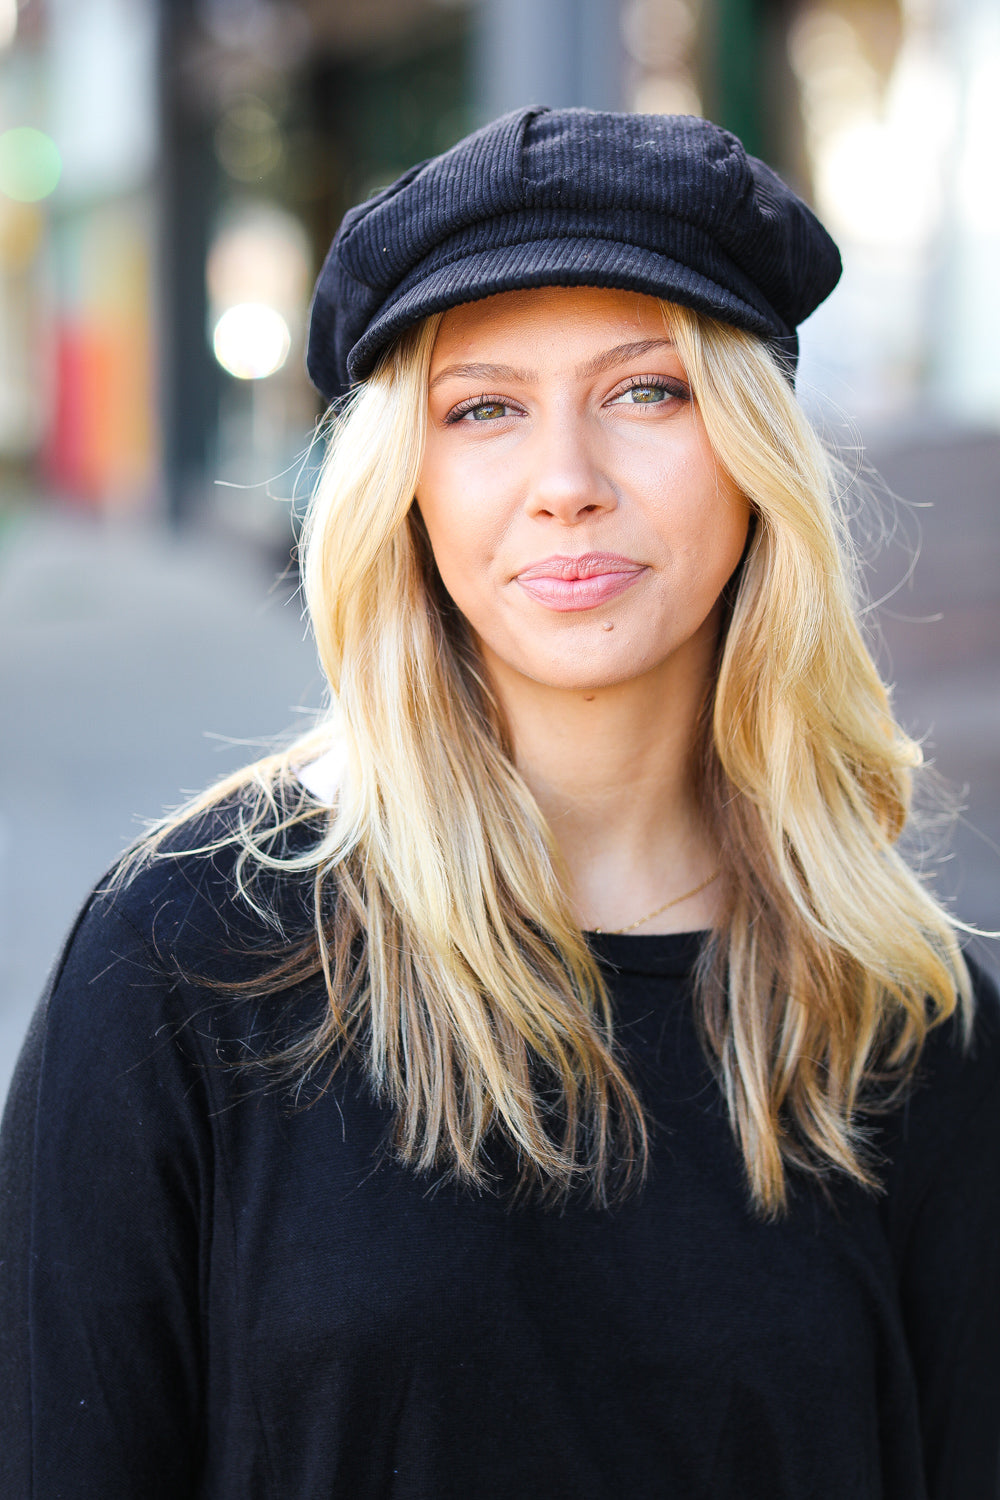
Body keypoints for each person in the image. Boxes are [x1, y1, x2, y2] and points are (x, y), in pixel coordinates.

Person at [1, 106, 998, 1500]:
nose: (567, 487)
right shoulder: (188, 961)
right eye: (484, 410)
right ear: (403, 484)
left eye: (648, 391)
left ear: (755, 450)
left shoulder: (913, 1017)